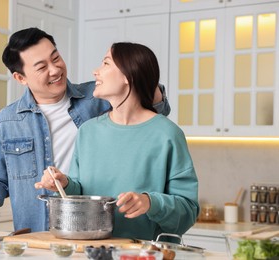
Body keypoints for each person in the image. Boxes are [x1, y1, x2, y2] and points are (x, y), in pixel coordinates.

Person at [0, 28, 170, 235]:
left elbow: (158, 108)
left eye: (56, 57)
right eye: (41, 67)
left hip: (94, 232)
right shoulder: (5, 122)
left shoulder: (98, 98)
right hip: (34, 237)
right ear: (20, 77)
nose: (55, 69)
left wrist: (135, 76)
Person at [35, 42, 199, 240]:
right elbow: (83, 192)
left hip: (144, 253)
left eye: (105, 63)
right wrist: (65, 184)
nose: (96, 72)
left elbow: (188, 211)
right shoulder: (88, 131)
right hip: (92, 251)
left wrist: (150, 203)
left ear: (128, 76)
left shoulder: (167, 134)